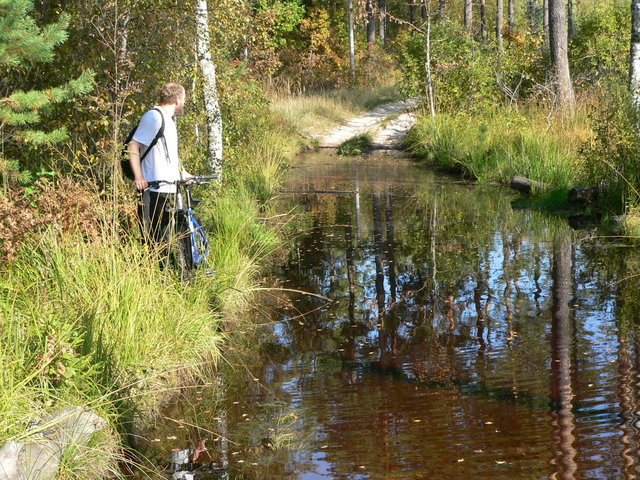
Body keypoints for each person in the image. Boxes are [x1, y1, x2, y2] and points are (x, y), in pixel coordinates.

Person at [127, 82, 192, 253]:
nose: (183, 103)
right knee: (155, 239)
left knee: (169, 236)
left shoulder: (169, 120)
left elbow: (170, 155)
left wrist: (182, 173)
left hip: (170, 187)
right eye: (184, 99)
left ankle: (174, 272)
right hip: (154, 189)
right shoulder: (153, 117)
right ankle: (155, 274)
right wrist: (139, 177)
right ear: (178, 100)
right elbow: (133, 146)